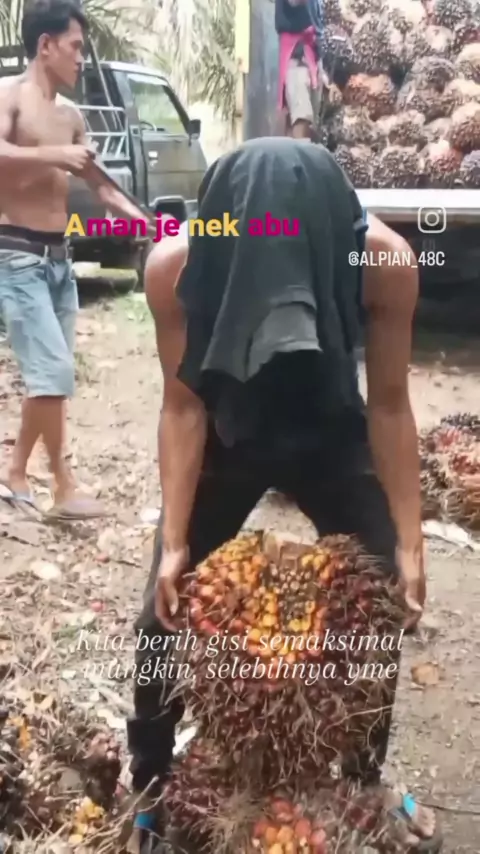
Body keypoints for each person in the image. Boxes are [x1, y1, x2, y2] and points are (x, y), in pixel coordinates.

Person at [126, 137, 442, 854]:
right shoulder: (176, 266)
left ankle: (360, 782)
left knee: (382, 600)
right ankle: (149, 781)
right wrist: (174, 544)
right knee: (158, 615)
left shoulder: (382, 263)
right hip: (227, 424)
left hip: (328, 423)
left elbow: (390, 405)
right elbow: (182, 408)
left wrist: (410, 541)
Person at [0, 0, 151, 520]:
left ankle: (18, 474)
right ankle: (60, 482)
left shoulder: (71, 117)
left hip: (59, 260)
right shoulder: (9, 97)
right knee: (55, 375)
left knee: (52, 380)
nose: (82, 58)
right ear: (45, 46)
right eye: (76, 47)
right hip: (16, 256)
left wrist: (146, 223)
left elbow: (102, 187)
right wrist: (55, 156)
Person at [275, 0, 327, 139]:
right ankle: (300, 151)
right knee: (301, 117)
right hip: (296, 55)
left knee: (313, 123)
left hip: (314, 55)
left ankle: (300, 149)